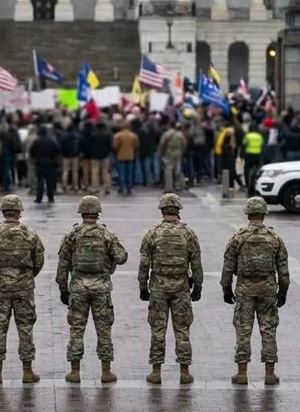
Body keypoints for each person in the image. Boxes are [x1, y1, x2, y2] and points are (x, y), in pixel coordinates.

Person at [56, 195, 128, 383]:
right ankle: (106, 371)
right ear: (98, 213)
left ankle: (74, 371)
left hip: (78, 288)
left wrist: (63, 288)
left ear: (81, 212)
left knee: (76, 328)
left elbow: (63, 263)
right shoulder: (106, 234)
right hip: (101, 288)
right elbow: (121, 257)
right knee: (103, 329)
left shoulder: (72, 234)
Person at [220, 196, 289, 385]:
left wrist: (226, 289)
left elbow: (228, 266)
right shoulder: (274, 238)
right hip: (268, 288)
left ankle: (242, 373)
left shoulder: (239, 237)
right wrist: (283, 290)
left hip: (245, 289)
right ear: (264, 214)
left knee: (243, 330)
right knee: (268, 329)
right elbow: (283, 268)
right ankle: (270, 373)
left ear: (248, 214)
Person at [137, 193, 203, 384]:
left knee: (158, 329)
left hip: (158, 288)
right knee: (182, 330)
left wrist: (143, 286)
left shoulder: (153, 233)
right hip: (181, 288)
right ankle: (185, 372)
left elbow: (144, 263)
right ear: (178, 210)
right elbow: (196, 262)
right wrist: (198, 286)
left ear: (162, 211)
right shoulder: (188, 233)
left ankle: (156, 372)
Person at [0, 194, 46, 383]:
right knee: (25, 328)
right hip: (24, 288)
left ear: (3, 211)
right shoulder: (30, 233)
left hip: (0, 288)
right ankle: (27, 371)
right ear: (19, 212)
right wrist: (26, 276)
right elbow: (39, 260)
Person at [29, 124, 61, 203]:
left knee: (40, 181)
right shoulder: (51, 140)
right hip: (50, 163)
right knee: (49, 181)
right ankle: (50, 197)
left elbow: (32, 151)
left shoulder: (37, 141)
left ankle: (39, 198)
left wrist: (35, 157)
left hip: (39, 162)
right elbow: (57, 150)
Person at [157, 123, 187, 193]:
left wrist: (161, 153)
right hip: (178, 154)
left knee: (168, 170)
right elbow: (184, 144)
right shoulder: (180, 134)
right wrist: (181, 152)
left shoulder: (167, 134)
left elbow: (162, 144)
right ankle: (179, 185)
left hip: (169, 154)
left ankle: (169, 187)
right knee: (178, 170)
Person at [112, 121, 139, 195]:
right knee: (129, 173)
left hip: (120, 156)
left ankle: (121, 187)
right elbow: (136, 146)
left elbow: (115, 146)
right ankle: (129, 187)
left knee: (121, 173)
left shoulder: (118, 135)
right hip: (130, 156)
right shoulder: (133, 135)